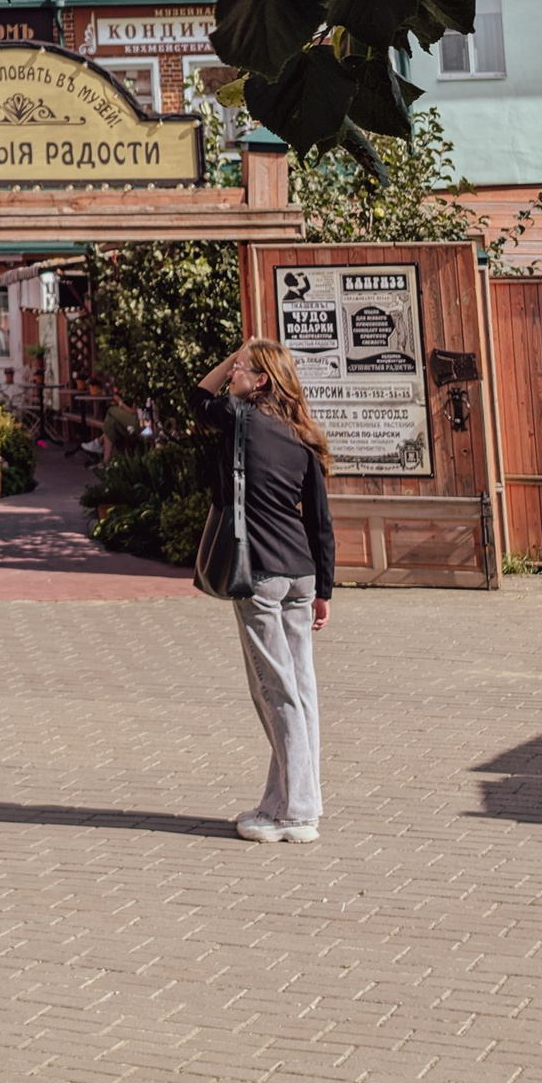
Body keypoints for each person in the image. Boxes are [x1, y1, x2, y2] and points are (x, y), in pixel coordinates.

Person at [195, 338, 337, 844]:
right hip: (299, 574)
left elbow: (197, 396)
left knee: (275, 694)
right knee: (299, 692)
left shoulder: (240, 419)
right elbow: (320, 518)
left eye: (242, 369)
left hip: (259, 576)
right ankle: (283, 805)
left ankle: (298, 812)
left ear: (260, 382)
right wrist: (324, 587)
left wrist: (234, 349)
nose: (232, 373)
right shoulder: (302, 434)